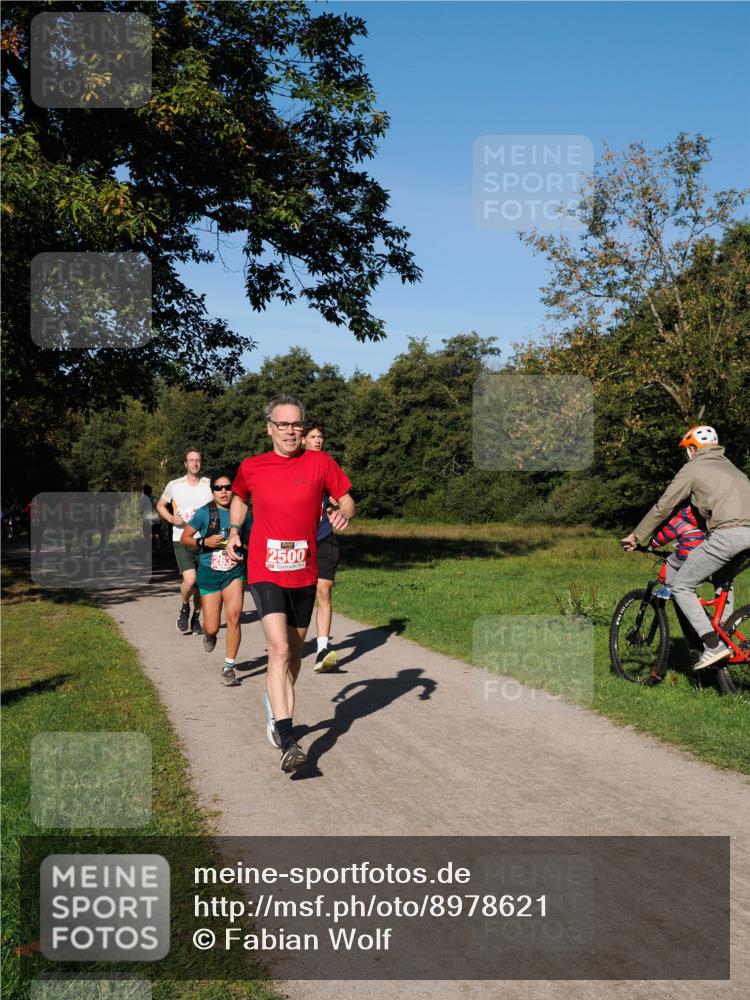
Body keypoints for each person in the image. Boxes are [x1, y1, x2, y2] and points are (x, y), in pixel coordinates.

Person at [226, 395, 355, 772]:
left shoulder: (321, 463)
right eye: (282, 425)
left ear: (303, 427)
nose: (290, 431)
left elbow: (347, 500)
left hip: (304, 570)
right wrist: (234, 530)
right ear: (270, 428)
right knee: (279, 648)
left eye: (296, 424)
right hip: (265, 569)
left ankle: (274, 704)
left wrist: (340, 513)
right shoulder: (252, 466)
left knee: (294, 655)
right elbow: (239, 499)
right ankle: (287, 738)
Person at [622, 425, 750, 671]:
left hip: (728, 535)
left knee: (681, 585)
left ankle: (713, 646)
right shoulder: (734, 469)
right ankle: (725, 634)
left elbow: (664, 506)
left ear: (693, 449)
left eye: (686, 451)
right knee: (724, 581)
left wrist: (637, 535)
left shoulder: (693, 468)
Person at [180, 474, 252, 686]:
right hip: (209, 573)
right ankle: (209, 635)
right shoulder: (204, 513)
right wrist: (205, 541)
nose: (223, 491)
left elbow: (255, 538)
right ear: (212, 491)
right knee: (211, 627)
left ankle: (229, 668)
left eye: (228, 487)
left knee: (234, 617)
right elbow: (185, 538)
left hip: (234, 571)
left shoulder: (244, 513)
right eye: (218, 488)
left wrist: (244, 547)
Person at [303, 420, 345, 672]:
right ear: (303, 440)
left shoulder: (328, 464)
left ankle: (322, 650)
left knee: (324, 590)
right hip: (298, 541)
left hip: (325, 537)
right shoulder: (294, 463)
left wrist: (337, 506)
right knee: (301, 595)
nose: (318, 440)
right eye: (313, 436)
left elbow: (343, 497)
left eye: (321, 436)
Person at [156, 449, 212, 635]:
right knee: (191, 579)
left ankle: (196, 616)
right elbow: (160, 506)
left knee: (201, 583)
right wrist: (172, 519)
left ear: (201, 462)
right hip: (181, 539)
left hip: (205, 541)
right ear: (185, 464)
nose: (195, 463)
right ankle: (184, 606)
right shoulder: (175, 485)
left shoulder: (209, 485)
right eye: (191, 460)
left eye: (198, 460)